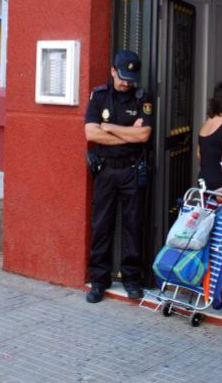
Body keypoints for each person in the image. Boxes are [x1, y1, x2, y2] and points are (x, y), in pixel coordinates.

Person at [83, 50, 154, 304]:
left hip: (132, 170)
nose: (126, 82)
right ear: (113, 71)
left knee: (133, 226)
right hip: (106, 170)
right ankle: (99, 280)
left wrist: (111, 128)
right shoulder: (99, 96)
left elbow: (144, 135)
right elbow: (91, 133)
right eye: (122, 76)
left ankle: (132, 279)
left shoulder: (142, 98)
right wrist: (128, 133)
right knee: (101, 226)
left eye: (130, 78)